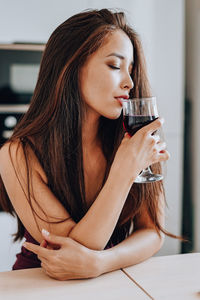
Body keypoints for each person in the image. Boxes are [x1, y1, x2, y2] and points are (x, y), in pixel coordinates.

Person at [0, 8, 170, 280]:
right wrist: (123, 172)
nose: (129, 82)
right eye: (115, 66)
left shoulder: (131, 141)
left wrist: (102, 263)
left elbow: (152, 231)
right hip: (38, 286)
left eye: (131, 70)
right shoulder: (17, 153)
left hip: (110, 280)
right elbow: (68, 256)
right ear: (71, 66)